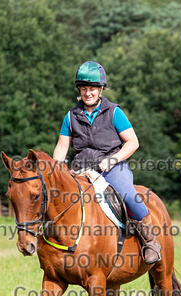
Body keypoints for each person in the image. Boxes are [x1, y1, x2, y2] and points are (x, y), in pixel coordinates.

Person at [53, 61, 161, 264]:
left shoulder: (114, 112)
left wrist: (111, 160)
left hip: (112, 167)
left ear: (101, 89)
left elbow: (132, 142)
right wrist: (56, 171)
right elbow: (61, 147)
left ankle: (150, 240)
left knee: (129, 195)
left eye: (92, 88)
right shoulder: (71, 116)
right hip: (81, 169)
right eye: (84, 88)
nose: (88, 93)